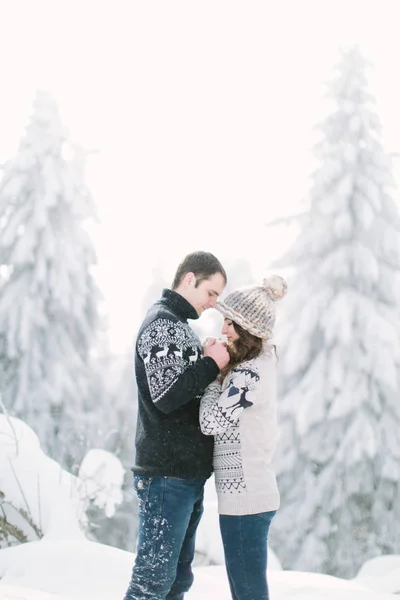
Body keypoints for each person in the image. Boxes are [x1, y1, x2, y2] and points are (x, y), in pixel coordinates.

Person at [123, 251, 230, 600]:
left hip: (183, 473)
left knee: (175, 582)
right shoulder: (163, 324)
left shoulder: (178, 327)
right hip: (167, 475)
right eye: (211, 293)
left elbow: (184, 386)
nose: (213, 303)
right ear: (188, 280)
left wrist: (204, 358)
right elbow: (168, 395)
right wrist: (212, 363)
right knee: (152, 583)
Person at [199, 275, 287, 600]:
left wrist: (211, 372)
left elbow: (211, 421)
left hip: (247, 501)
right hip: (247, 498)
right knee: (245, 591)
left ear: (248, 328)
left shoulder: (249, 374)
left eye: (230, 323)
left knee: (248, 593)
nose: (224, 330)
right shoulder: (253, 366)